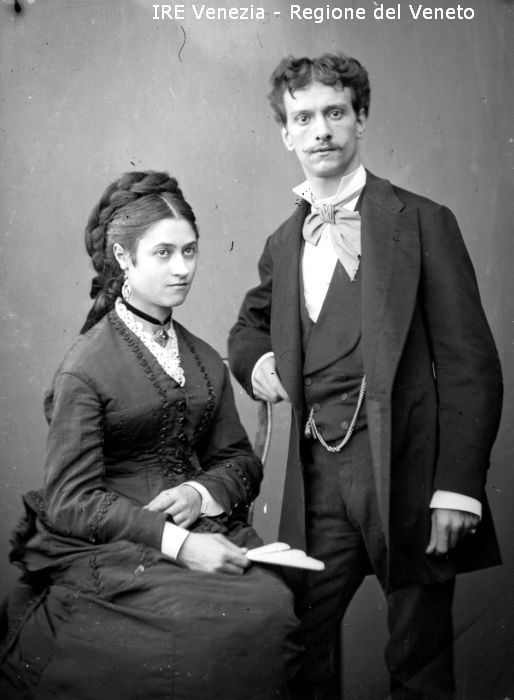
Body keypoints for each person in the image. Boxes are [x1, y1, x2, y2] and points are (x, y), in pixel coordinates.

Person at [228, 53, 503, 699]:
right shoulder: (282, 243)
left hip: (408, 475)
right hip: (317, 482)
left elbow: (470, 365)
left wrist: (457, 489)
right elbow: (248, 329)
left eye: (334, 112)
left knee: (419, 663)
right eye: (303, 118)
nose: (320, 130)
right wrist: (259, 362)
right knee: (296, 647)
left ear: (361, 119)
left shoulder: (422, 221)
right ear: (286, 134)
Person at [0, 171, 301, 700]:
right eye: (163, 253)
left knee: (274, 608)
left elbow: (239, 460)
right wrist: (179, 543)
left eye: (190, 251)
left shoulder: (203, 358)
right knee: (213, 630)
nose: (182, 268)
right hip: (115, 547)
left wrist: (199, 493)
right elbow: (71, 500)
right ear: (123, 257)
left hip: (206, 529)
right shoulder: (86, 367)